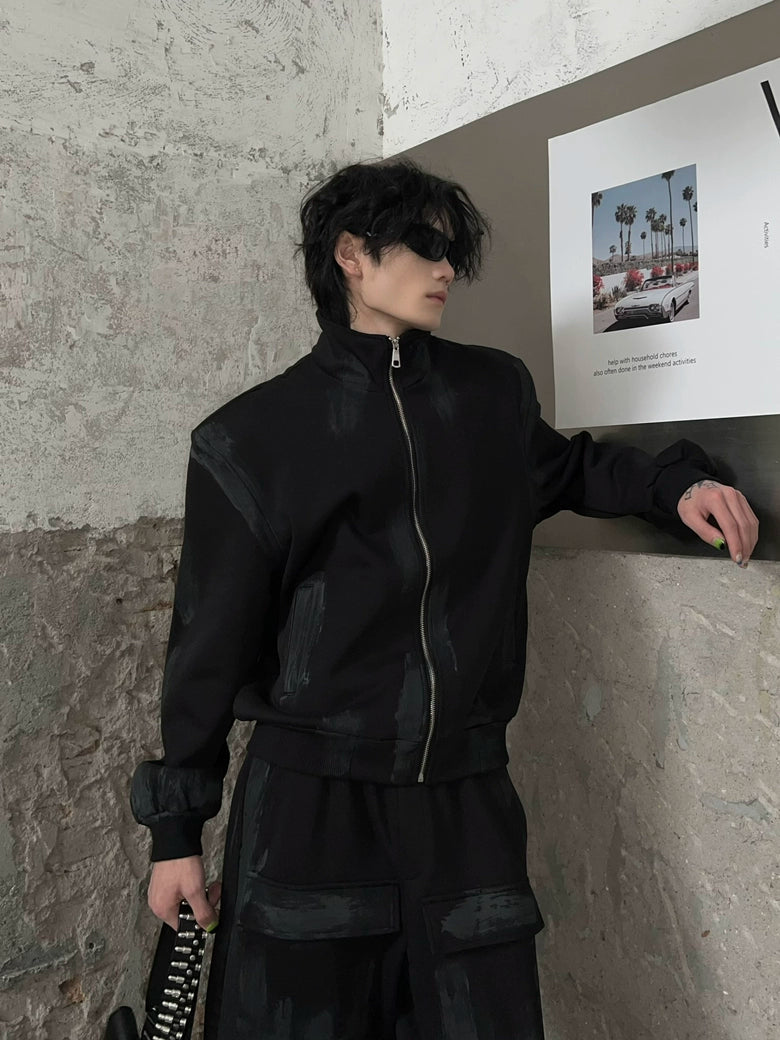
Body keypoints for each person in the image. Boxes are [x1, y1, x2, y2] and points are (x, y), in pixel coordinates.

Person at [130, 158, 758, 1039]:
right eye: (424, 246)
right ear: (350, 254)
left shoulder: (490, 395)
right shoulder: (252, 440)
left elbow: (572, 469)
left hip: (464, 804)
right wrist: (176, 836)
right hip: (312, 811)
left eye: (452, 251)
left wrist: (677, 486)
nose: (446, 269)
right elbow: (207, 649)